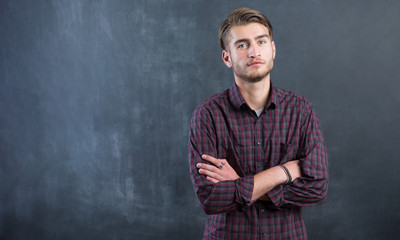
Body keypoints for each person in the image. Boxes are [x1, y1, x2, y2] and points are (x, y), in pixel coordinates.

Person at [188, 7, 328, 240]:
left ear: (272, 49)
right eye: (242, 45)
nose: (254, 51)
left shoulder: (301, 110)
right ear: (227, 58)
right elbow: (210, 198)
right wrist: (282, 172)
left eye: (261, 42)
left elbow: (317, 188)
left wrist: (239, 185)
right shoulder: (207, 115)